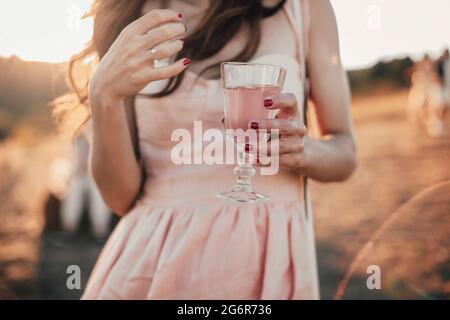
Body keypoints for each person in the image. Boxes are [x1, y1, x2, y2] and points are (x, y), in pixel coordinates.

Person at [66, 0, 356, 299]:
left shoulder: (305, 8)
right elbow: (119, 198)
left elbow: (345, 153)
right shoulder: (127, 14)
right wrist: (103, 95)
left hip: (268, 259)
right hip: (154, 264)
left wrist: (303, 151)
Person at [60, 133, 112, 239]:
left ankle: (100, 229)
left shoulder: (99, 132)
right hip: (80, 174)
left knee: (98, 192)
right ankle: (70, 227)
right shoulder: (76, 135)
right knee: (75, 189)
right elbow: (74, 161)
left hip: (97, 174)